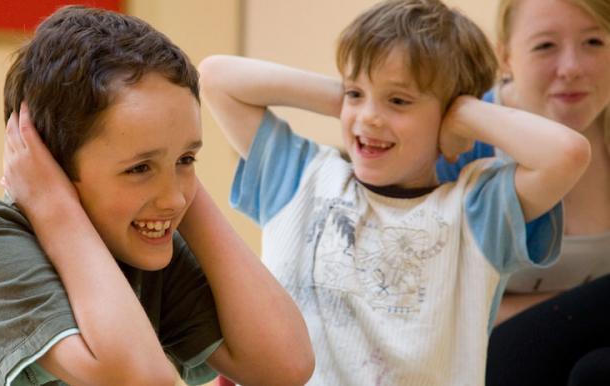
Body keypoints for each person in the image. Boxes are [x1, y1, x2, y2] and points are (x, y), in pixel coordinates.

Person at [0, 6, 314, 386]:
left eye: (187, 159)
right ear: (50, 166)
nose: (172, 199)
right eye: (139, 168)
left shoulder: (142, 247)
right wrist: (55, 208)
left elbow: (286, 366)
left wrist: (185, 189)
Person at [198, 0, 592, 384]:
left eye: (399, 100)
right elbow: (216, 77)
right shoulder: (303, 176)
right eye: (356, 94)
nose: (368, 116)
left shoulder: (477, 211)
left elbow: (567, 153)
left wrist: (462, 116)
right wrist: (347, 95)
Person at [435, 0, 610, 384]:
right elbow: (425, 311)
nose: (572, 68)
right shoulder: (457, 145)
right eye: (545, 46)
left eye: (594, 42)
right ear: (506, 57)